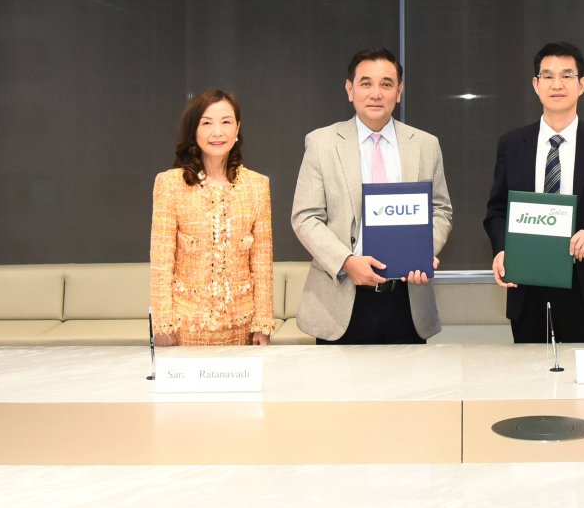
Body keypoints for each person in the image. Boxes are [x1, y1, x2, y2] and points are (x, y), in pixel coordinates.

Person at [290, 48, 452, 344]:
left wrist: (423, 251)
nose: (376, 93)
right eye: (366, 83)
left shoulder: (425, 145)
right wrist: (346, 261)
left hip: (407, 299)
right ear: (350, 89)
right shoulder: (322, 143)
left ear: (399, 92)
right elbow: (305, 217)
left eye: (386, 84)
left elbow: (440, 210)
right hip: (340, 300)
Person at [483, 42, 584, 343]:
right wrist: (502, 249)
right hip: (526, 286)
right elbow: (497, 211)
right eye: (548, 76)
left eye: (567, 76)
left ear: (582, 85)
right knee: (530, 372)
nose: (557, 84)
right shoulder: (512, 145)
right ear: (536, 85)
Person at [149, 89, 274, 346]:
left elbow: (262, 262)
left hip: (242, 329)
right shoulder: (170, 184)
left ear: (237, 128)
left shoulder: (257, 185)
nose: (218, 132)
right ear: (194, 130)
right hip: (185, 328)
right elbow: (161, 261)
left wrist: (263, 325)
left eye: (226, 122)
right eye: (207, 123)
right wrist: (162, 324)